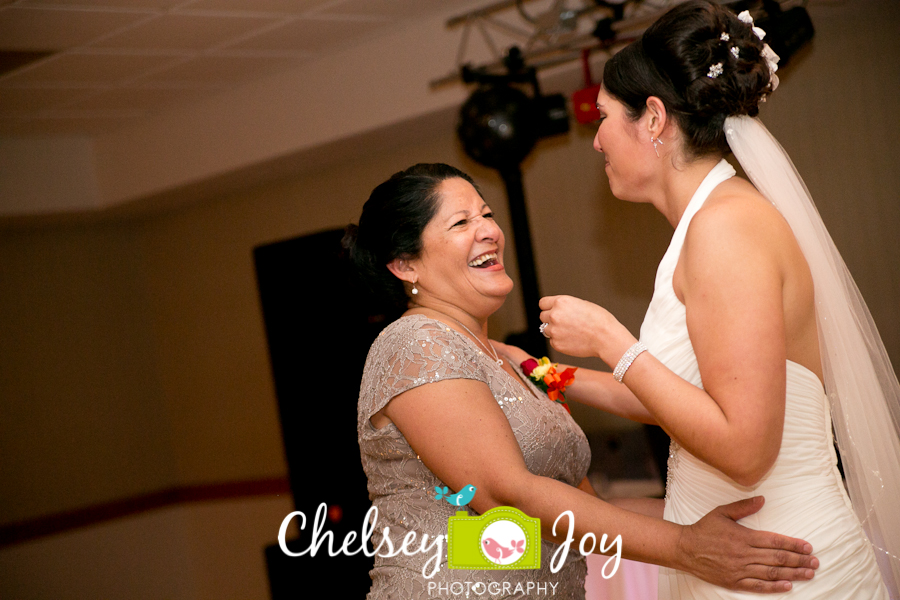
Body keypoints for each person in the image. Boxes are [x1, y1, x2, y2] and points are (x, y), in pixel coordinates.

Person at [512, 1, 900, 598]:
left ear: (654, 119)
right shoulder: (707, 222)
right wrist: (543, 373)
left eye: (604, 118)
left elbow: (744, 450)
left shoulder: (725, 229)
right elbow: (683, 400)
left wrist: (612, 341)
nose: (595, 142)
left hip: (780, 564)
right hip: (742, 554)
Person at [346, 162, 820, 600]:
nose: (489, 231)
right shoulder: (415, 344)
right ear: (404, 264)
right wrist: (684, 546)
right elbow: (503, 498)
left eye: (486, 214)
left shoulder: (512, 364)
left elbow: (579, 508)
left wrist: (722, 528)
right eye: (461, 223)